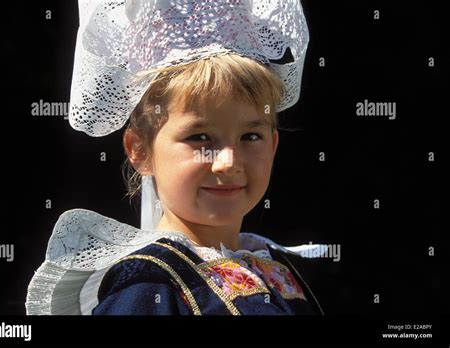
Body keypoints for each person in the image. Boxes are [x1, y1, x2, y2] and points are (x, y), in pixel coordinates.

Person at [26, 0, 325, 315]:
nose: (228, 162)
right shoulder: (147, 286)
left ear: (274, 144)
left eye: (250, 137)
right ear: (140, 150)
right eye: (199, 137)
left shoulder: (276, 267)